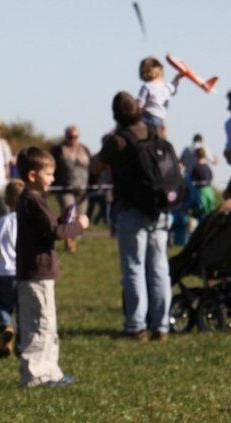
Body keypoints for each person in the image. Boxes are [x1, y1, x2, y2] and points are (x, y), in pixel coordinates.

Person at [93, 92, 172, 341]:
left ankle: (136, 325)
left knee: (134, 269)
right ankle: (161, 326)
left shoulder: (117, 141)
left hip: (131, 210)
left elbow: (95, 166)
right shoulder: (154, 132)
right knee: (159, 269)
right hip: (159, 209)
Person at [14, 147, 88, 388]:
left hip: (38, 273)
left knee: (48, 325)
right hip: (36, 273)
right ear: (33, 176)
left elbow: (50, 226)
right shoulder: (32, 200)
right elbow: (55, 231)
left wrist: (64, 219)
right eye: (49, 173)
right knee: (39, 326)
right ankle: (35, 375)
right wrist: (79, 225)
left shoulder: (34, 200)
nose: (53, 179)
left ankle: (51, 372)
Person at [0, 179, 24, 359]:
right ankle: (21, 343)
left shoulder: (2, 221)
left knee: (2, 306)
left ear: (6, 201)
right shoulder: (29, 222)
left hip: (4, 273)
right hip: (25, 273)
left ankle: (6, 326)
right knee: (23, 309)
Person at [50, 125, 91, 253]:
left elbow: (92, 167)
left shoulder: (84, 149)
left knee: (81, 216)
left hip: (83, 188)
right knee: (70, 214)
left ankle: (74, 241)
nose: (73, 139)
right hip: (65, 188)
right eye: (70, 137)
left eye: (75, 137)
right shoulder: (58, 150)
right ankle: (69, 243)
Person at [135, 56, 182, 130]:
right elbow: (173, 86)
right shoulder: (165, 87)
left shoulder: (147, 86)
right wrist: (178, 77)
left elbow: (139, 104)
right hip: (160, 120)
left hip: (148, 117)